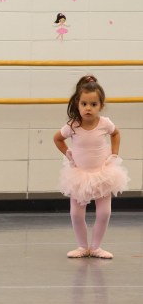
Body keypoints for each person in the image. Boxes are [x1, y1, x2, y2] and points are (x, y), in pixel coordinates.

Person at [53, 75, 129, 259]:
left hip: (102, 174)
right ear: (78, 104)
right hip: (79, 176)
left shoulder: (105, 123)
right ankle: (82, 246)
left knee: (104, 212)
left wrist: (114, 153)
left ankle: (95, 247)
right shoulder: (73, 125)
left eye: (93, 104)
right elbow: (57, 138)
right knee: (77, 213)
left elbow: (116, 133)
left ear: (100, 106)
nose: (88, 108)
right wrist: (68, 153)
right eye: (85, 104)